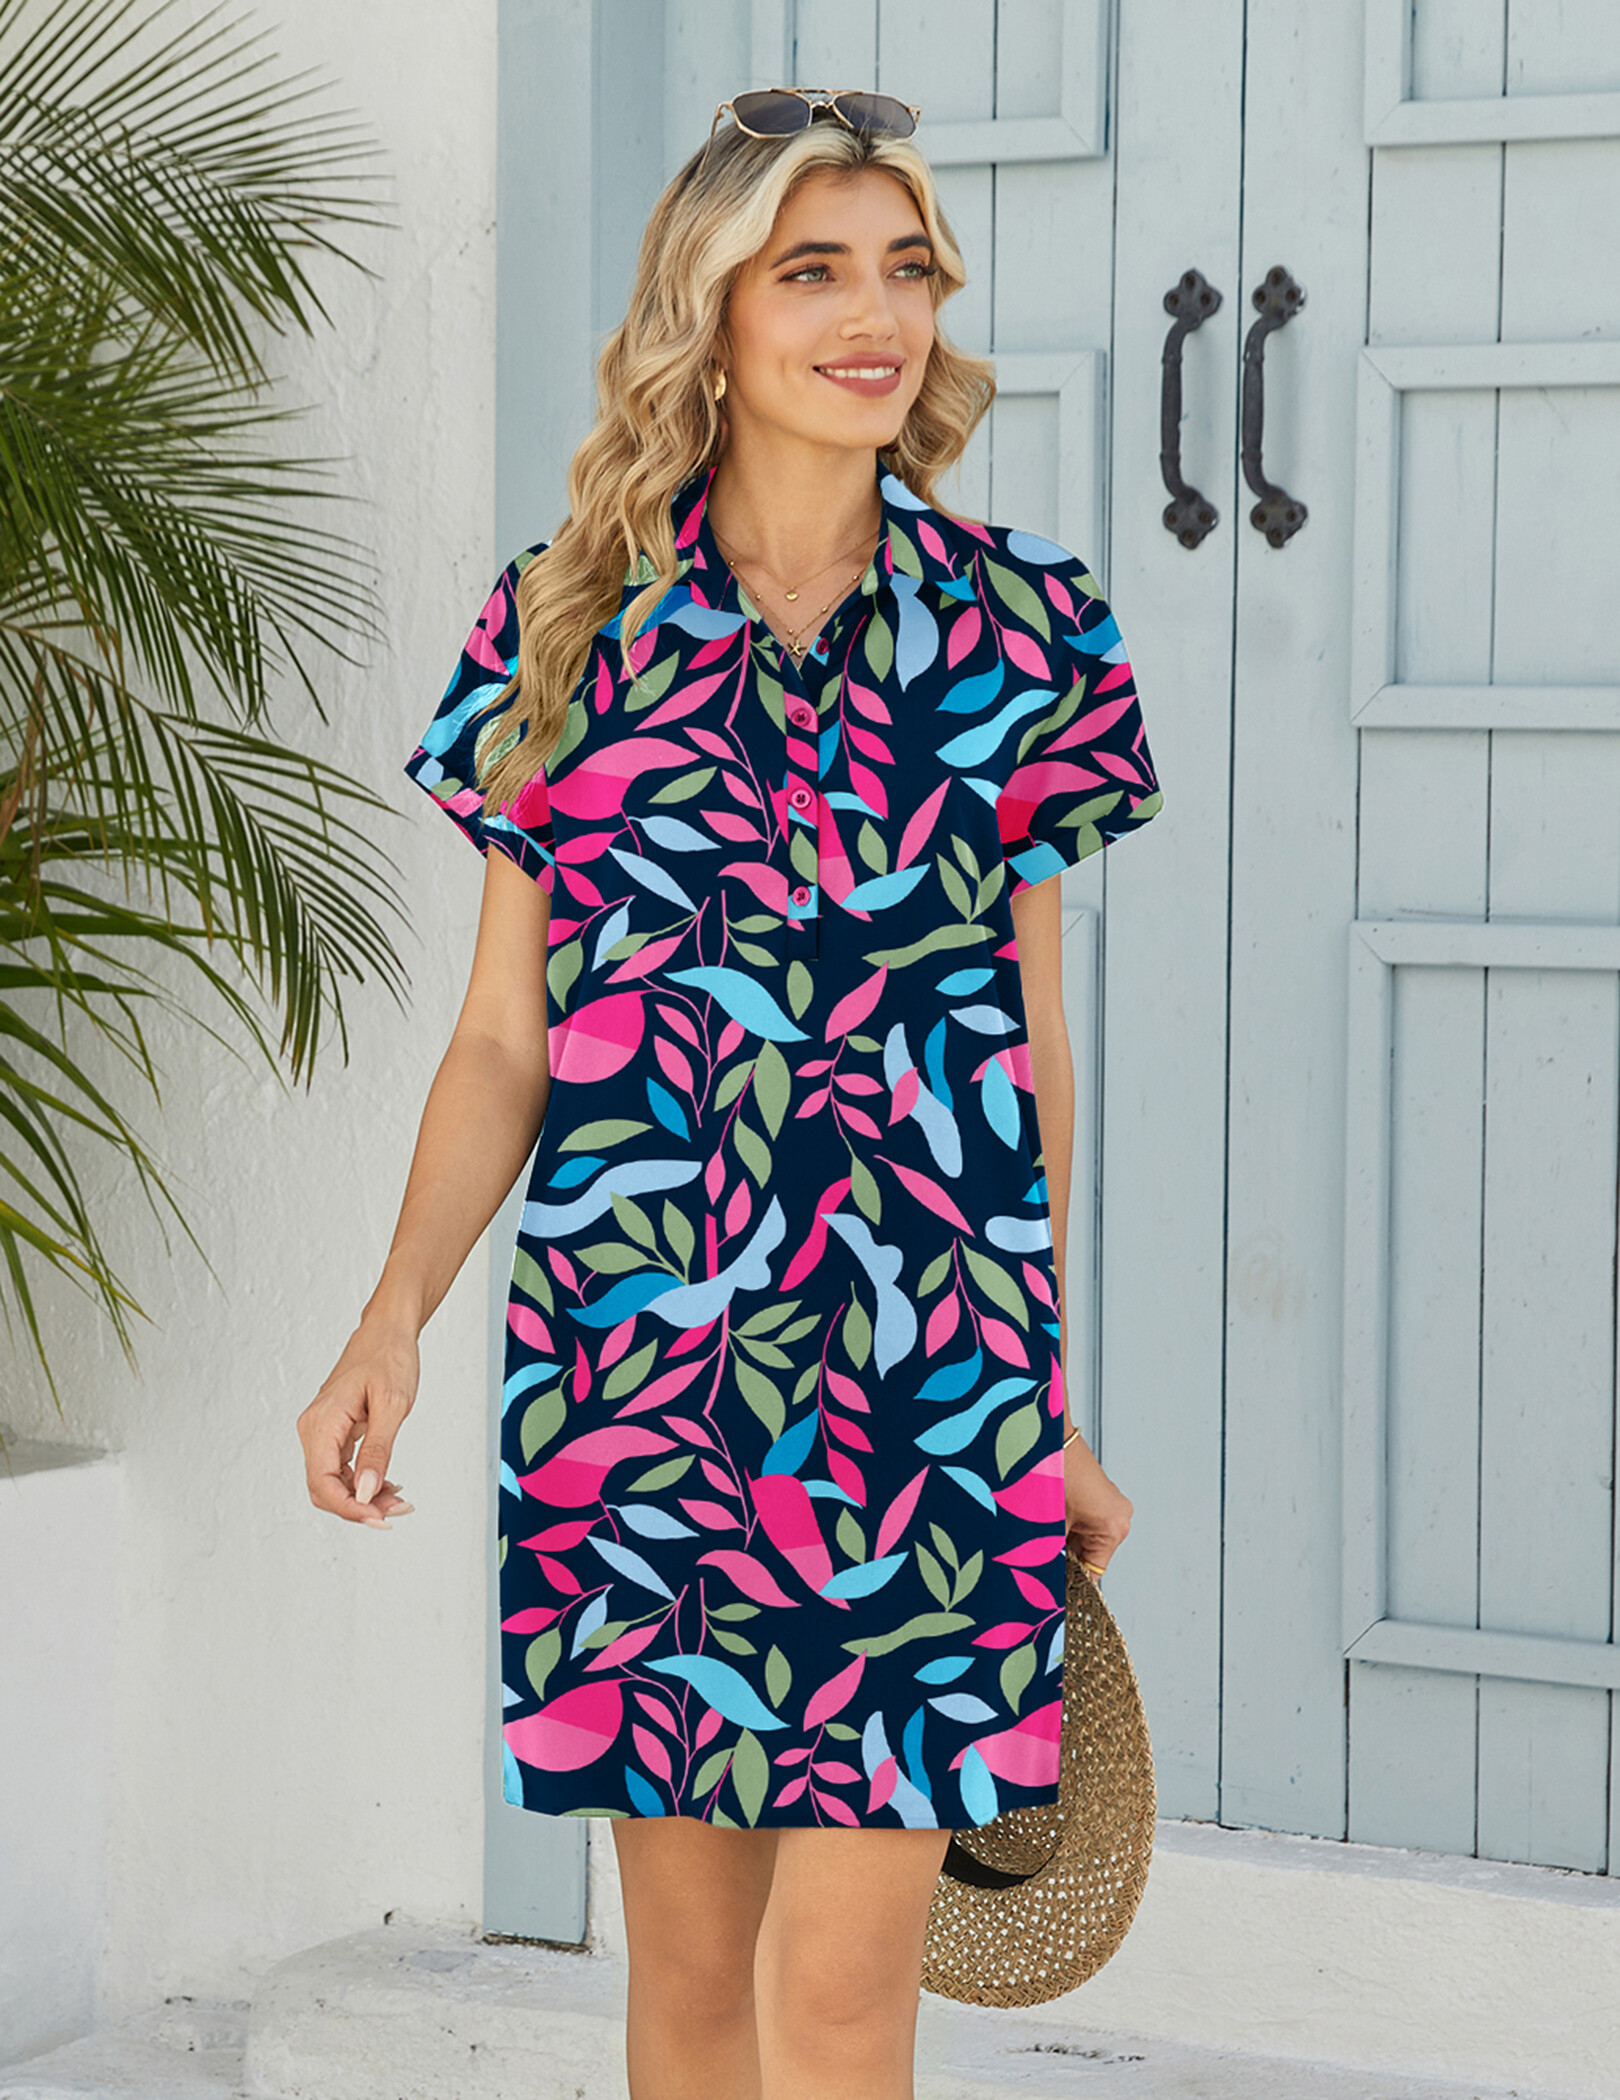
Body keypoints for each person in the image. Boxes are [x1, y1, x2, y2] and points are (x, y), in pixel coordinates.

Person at [299, 87, 1162, 2100]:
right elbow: (505, 1038)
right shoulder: (565, 623)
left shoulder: (1028, 628)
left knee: (843, 1990)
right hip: (636, 1383)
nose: (879, 317)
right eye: (815, 271)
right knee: (689, 1987)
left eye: (908, 270)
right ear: (712, 307)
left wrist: (1041, 1403)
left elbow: (1024, 1054)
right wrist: (390, 1319)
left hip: (926, 1395)